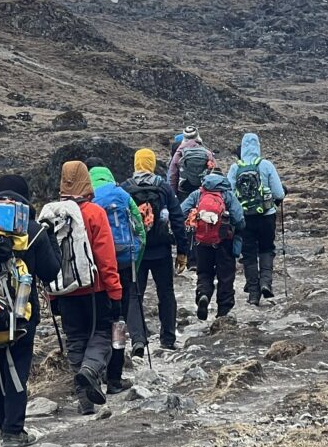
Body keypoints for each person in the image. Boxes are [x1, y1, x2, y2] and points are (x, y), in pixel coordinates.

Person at [0, 174, 61, 447]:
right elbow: (51, 271)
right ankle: (13, 430)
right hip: (21, 312)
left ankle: (2, 422)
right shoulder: (32, 230)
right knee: (16, 368)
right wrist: (50, 238)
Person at [49, 160, 123, 415]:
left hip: (64, 290)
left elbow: (49, 257)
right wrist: (115, 291)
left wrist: (51, 294)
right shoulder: (94, 213)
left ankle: (85, 402)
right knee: (102, 334)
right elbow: (106, 257)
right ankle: (90, 371)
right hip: (96, 289)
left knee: (76, 340)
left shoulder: (53, 213)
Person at [86, 159, 145, 394]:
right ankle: (115, 378)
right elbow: (139, 229)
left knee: (99, 322)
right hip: (124, 266)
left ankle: (94, 370)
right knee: (119, 321)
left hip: (98, 271)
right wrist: (135, 262)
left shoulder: (88, 200)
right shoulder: (122, 195)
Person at [123, 148, 188, 355]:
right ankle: (167, 338)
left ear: (136, 163)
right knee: (166, 293)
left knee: (134, 295)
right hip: (161, 250)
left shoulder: (126, 188)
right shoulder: (164, 188)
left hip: (136, 253)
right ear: (151, 163)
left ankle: (138, 339)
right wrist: (182, 251)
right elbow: (178, 218)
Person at [181, 163, 245, 322]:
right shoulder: (227, 195)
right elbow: (239, 219)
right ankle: (223, 312)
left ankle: (203, 294)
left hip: (202, 241)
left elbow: (181, 210)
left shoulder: (198, 194)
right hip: (224, 241)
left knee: (204, 273)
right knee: (226, 276)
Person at [227, 133, 285, 304]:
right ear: (258, 146)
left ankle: (253, 294)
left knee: (249, 254)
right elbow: (279, 193)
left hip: (244, 219)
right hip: (267, 216)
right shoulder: (266, 165)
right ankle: (266, 283)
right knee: (267, 248)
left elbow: (228, 195)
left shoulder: (235, 168)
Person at [168, 125, 215, 200]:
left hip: (184, 189)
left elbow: (172, 175)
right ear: (197, 136)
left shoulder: (179, 153)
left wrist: (173, 195)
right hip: (203, 190)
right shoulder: (206, 152)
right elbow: (216, 171)